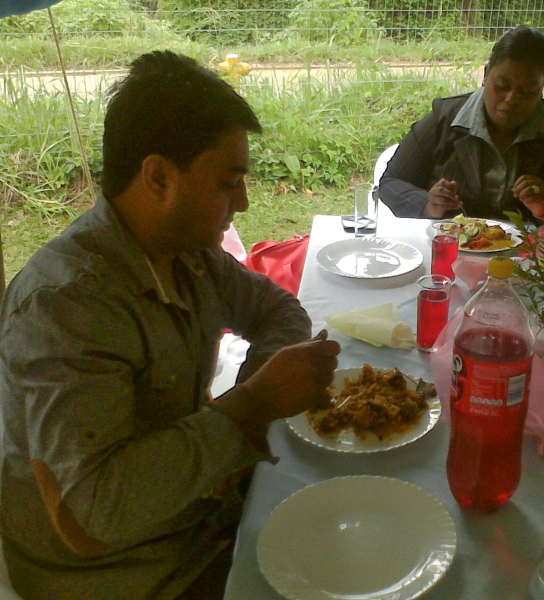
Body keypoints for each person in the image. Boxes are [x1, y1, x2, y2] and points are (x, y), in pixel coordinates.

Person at [0, 51, 340, 599]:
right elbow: (93, 510)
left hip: (192, 516)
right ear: (158, 176)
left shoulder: (186, 253)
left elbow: (277, 310)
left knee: (345, 510)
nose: (243, 202)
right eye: (228, 182)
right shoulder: (66, 305)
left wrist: (256, 392)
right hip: (122, 574)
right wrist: (249, 408)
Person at [379, 26, 544, 224]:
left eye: (528, 91)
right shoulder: (445, 118)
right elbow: (390, 182)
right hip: (452, 249)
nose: (511, 100)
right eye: (502, 86)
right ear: (486, 75)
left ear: (542, 87)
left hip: (529, 253)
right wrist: (428, 205)